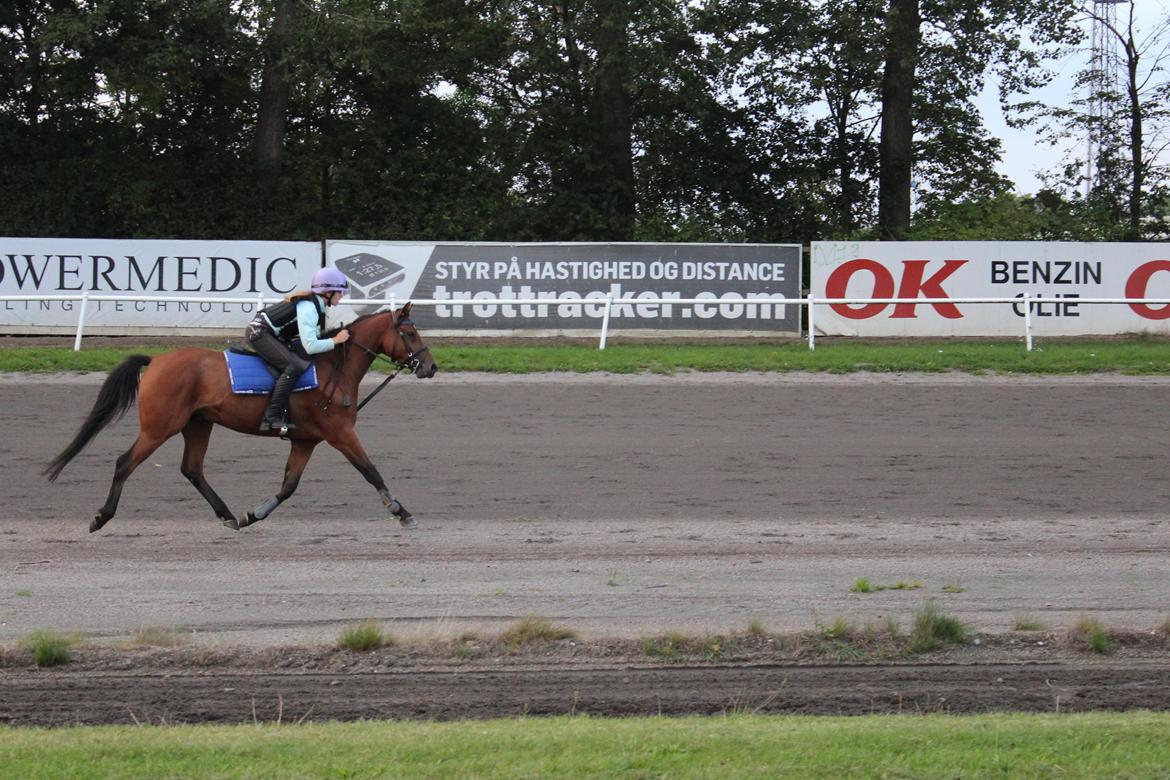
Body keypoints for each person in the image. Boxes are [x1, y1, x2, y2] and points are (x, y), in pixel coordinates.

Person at [246, 267, 352, 433]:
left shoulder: (316, 305)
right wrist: (336, 340)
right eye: (340, 291)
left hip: (273, 334)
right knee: (292, 367)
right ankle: (271, 417)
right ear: (328, 292)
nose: (342, 295)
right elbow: (311, 345)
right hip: (259, 333)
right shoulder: (309, 308)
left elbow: (311, 341)